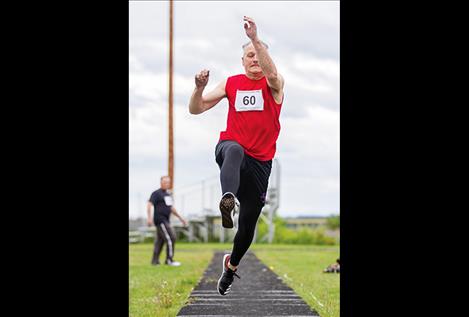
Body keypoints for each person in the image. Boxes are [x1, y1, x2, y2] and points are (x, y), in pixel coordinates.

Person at [188, 16, 284, 295]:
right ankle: (227, 199)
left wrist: (255, 38)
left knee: (248, 226)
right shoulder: (232, 83)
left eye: (258, 54)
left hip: (260, 162)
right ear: (242, 61)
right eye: (249, 56)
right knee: (233, 148)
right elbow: (196, 109)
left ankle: (231, 267)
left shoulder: (273, 85)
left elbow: (273, 73)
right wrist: (198, 88)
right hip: (231, 151)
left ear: (265, 57)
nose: (254, 59)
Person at [147, 176, 188, 266]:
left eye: (168, 182)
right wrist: (149, 218)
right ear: (161, 182)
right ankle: (169, 260)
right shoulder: (156, 193)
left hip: (166, 220)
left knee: (160, 241)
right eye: (165, 182)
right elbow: (149, 204)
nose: (166, 184)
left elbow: (171, 208)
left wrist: (181, 218)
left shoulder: (168, 194)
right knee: (171, 238)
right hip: (160, 220)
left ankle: (155, 261)